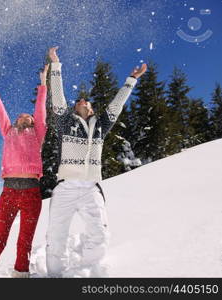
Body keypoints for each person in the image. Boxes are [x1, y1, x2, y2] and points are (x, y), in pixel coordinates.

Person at [45, 46, 147, 277]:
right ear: (74, 108)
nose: (83, 100)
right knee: (56, 236)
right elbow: (57, 97)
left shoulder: (100, 125)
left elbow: (116, 106)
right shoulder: (64, 122)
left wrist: (131, 79)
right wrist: (55, 64)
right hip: (66, 187)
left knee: (100, 235)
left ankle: (88, 271)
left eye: (87, 101)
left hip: (91, 187)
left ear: (90, 108)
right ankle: (54, 276)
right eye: (79, 100)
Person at [0, 64, 49, 278]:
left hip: (31, 193)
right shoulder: (8, 131)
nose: (28, 117)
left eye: (31, 118)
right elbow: (0, 111)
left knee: (24, 241)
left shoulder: (37, 134)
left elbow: (40, 111)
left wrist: (43, 84)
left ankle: (21, 274)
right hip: (8, 193)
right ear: (16, 121)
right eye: (24, 116)